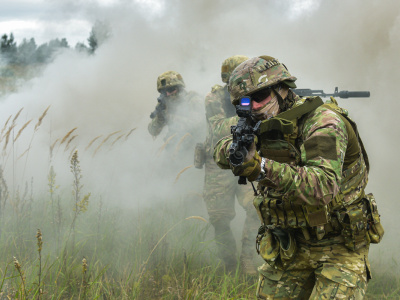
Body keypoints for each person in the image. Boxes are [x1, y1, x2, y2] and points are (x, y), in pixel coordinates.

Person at [213, 56, 384, 298]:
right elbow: (219, 146)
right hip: (289, 243)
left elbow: (322, 187)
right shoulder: (258, 120)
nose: (253, 107)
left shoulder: (323, 121)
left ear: (282, 89)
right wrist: (234, 153)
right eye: (244, 101)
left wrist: (260, 166)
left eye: (259, 97)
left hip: (340, 244)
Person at [196, 55, 260, 275]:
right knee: (219, 217)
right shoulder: (214, 97)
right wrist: (249, 117)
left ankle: (247, 258)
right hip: (219, 163)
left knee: (255, 207)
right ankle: (229, 263)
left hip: (247, 158)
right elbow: (217, 128)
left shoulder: (255, 96)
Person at [148, 70, 203, 149]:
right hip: (174, 148)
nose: (168, 94)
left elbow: (197, 124)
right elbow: (152, 131)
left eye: (170, 90)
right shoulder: (165, 105)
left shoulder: (193, 99)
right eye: (164, 92)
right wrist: (159, 119)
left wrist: (169, 117)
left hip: (194, 146)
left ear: (179, 88)